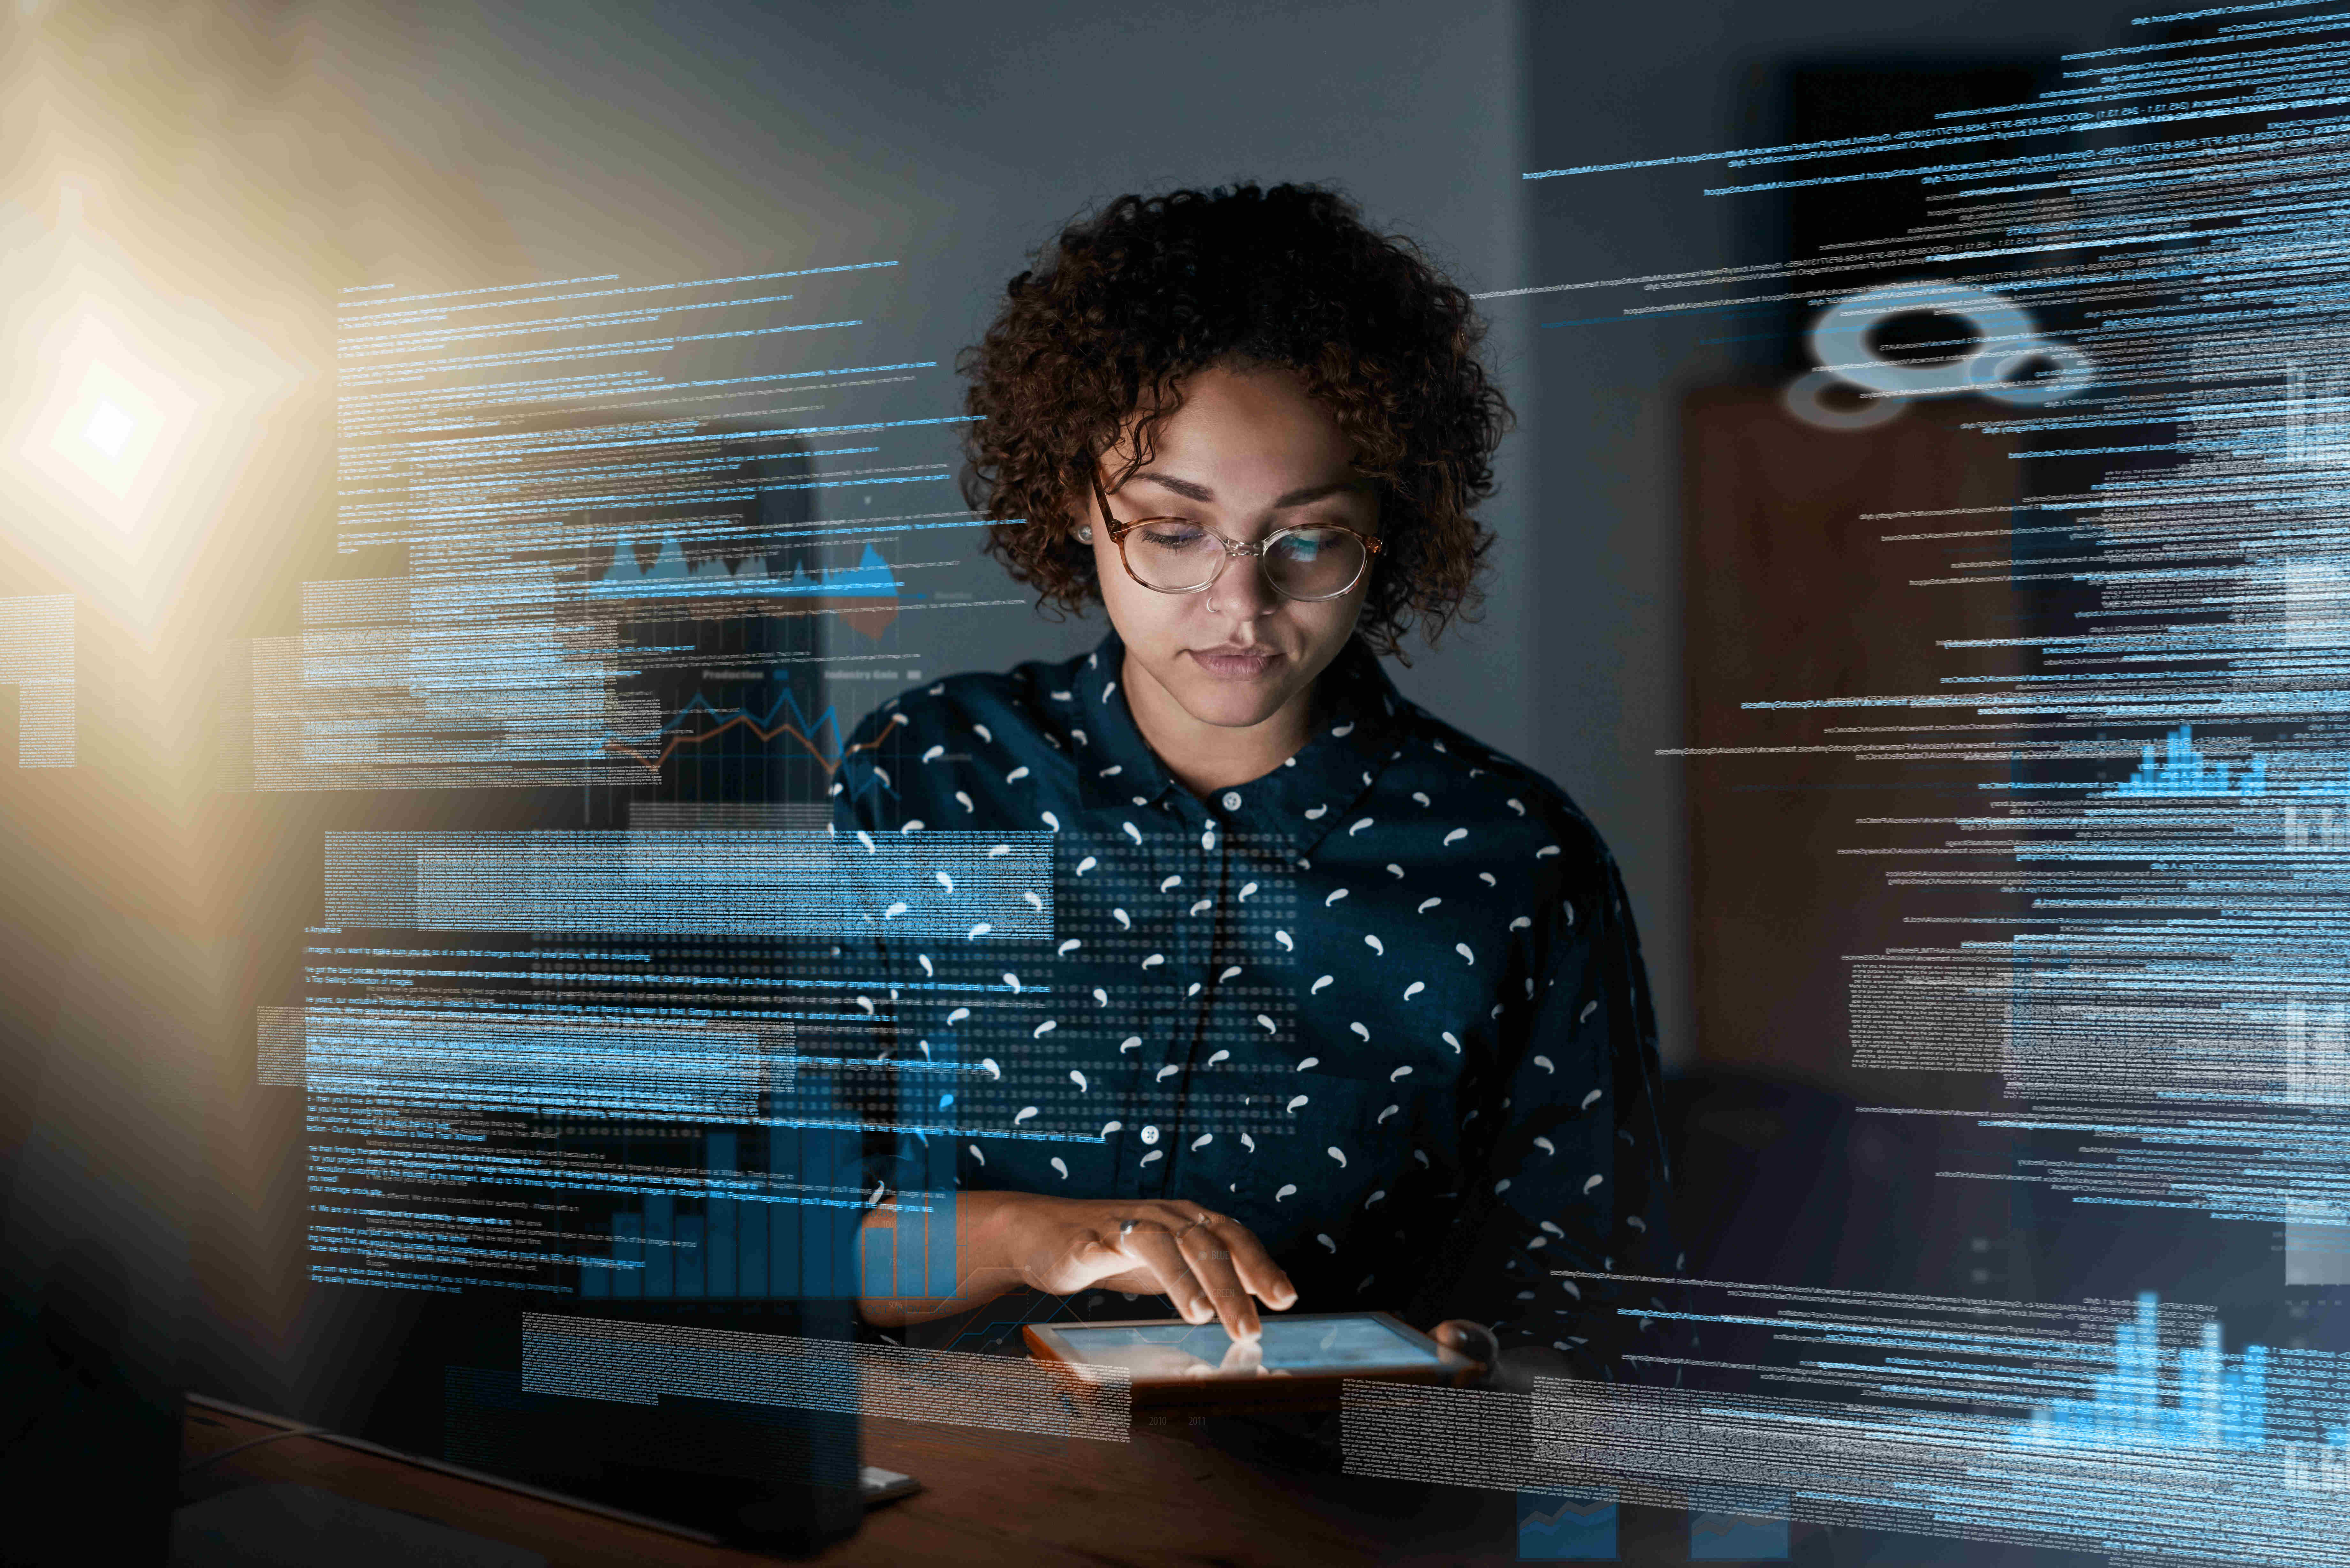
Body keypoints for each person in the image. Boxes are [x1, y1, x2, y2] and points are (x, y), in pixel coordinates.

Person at [834, 183, 1678, 1389]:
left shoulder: (1519, 859)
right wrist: (1043, 1236)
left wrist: (1496, 1374)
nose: (1240, 606)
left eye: (1309, 539)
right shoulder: (926, 778)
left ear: (1389, 528)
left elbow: (1603, 1313)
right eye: (1173, 533)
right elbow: (796, 1237)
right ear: (1079, 505)